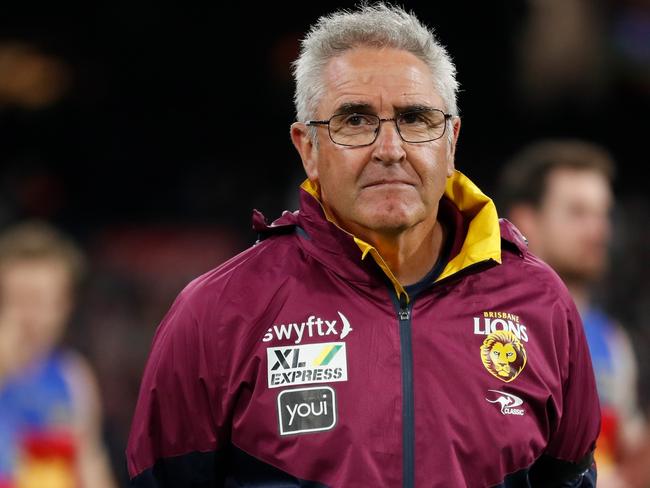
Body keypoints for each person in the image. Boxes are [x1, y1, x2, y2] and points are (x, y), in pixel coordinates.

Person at [127, 4, 600, 487]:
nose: (390, 149)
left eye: (415, 119)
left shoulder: (540, 302)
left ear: (451, 140)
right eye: (355, 121)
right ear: (307, 148)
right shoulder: (219, 312)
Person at [496, 139, 647, 487]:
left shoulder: (611, 339)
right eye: (578, 213)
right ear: (525, 220)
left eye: (602, 214)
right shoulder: (492, 330)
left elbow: (624, 456)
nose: (599, 230)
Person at [0, 221, 116, 488]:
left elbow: (91, 466)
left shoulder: (72, 375)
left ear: (65, 305)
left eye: (42, 300)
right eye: (18, 299)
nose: (31, 317)